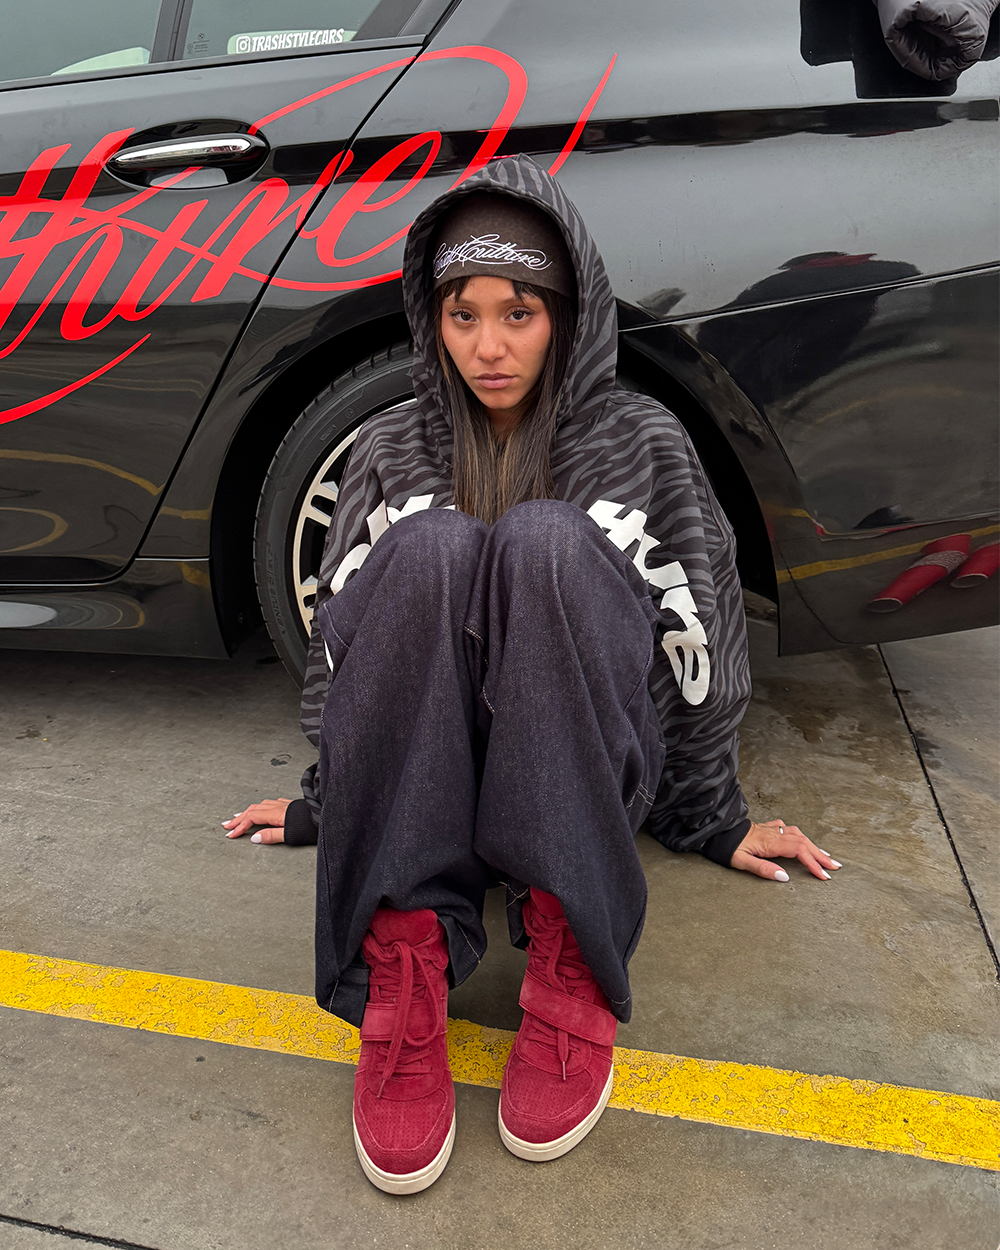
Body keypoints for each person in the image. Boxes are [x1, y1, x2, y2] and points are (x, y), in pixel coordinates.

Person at [225, 155, 841, 1194]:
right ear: (431, 319)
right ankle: (406, 957)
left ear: (567, 314)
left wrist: (710, 814)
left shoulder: (642, 442)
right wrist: (330, 799)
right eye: (463, 315)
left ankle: (569, 944)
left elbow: (699, 627)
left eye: (519, 313)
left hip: (575, 772)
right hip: (433, 775)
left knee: (548, 542)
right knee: (427, 550)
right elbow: (344, 636)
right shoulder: (388, 447)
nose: (489, 347)